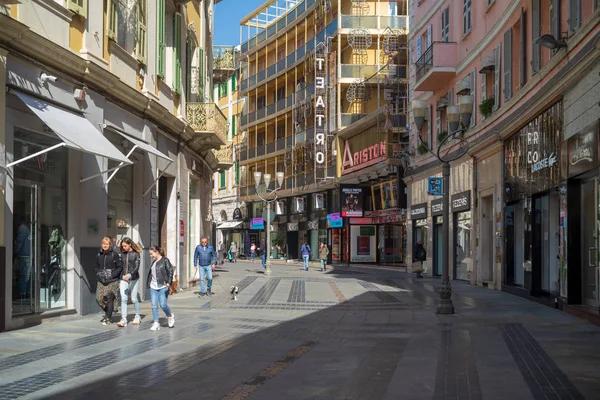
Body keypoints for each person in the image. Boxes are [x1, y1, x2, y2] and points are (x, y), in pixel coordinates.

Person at [95, 237, 123, 326]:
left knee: (109, 298)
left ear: (110, 245)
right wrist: (99, 274)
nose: (105, 245)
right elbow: (95, 267)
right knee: (99, 299)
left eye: (107, 244)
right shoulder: (99, 255)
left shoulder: (114, 254)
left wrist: (112, 275)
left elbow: (120, 267)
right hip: (102, 280)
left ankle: (108, 317)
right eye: (103, 244)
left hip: (112, 280)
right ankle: (109, 312)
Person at [147, 245, 175, 331]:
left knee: (163, 305)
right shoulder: (154, 262)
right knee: (154, 306)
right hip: (153, 286)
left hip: (163, 286)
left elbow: (170, 271)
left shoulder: (165, 260)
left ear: (157, 252)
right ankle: (156, 323)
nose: (151, 256)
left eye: (152, 254)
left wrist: (169, 282)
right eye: (150, 254)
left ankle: (170, 316)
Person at [117, 237, 142, 327]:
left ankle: (137, 316)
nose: (123, 248)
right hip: (123, 279)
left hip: (134, 279)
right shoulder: (123, 254)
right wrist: (120, 279)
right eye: (122, 246)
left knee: (134, 299)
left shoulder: (136, 254)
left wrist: (130, 275)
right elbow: (121, 267)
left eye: (125, 246)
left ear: (130, 244)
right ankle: (123, 319)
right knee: (124, 298)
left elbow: (136, 267)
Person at [14, 216, 32, 299]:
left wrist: (15, 252)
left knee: (24, 276)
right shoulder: (28, 229)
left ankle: (22, 295)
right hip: (29, 255)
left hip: (24, 255)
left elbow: (19, 242)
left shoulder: (22, 229)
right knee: (27, 276)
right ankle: (27, 294)